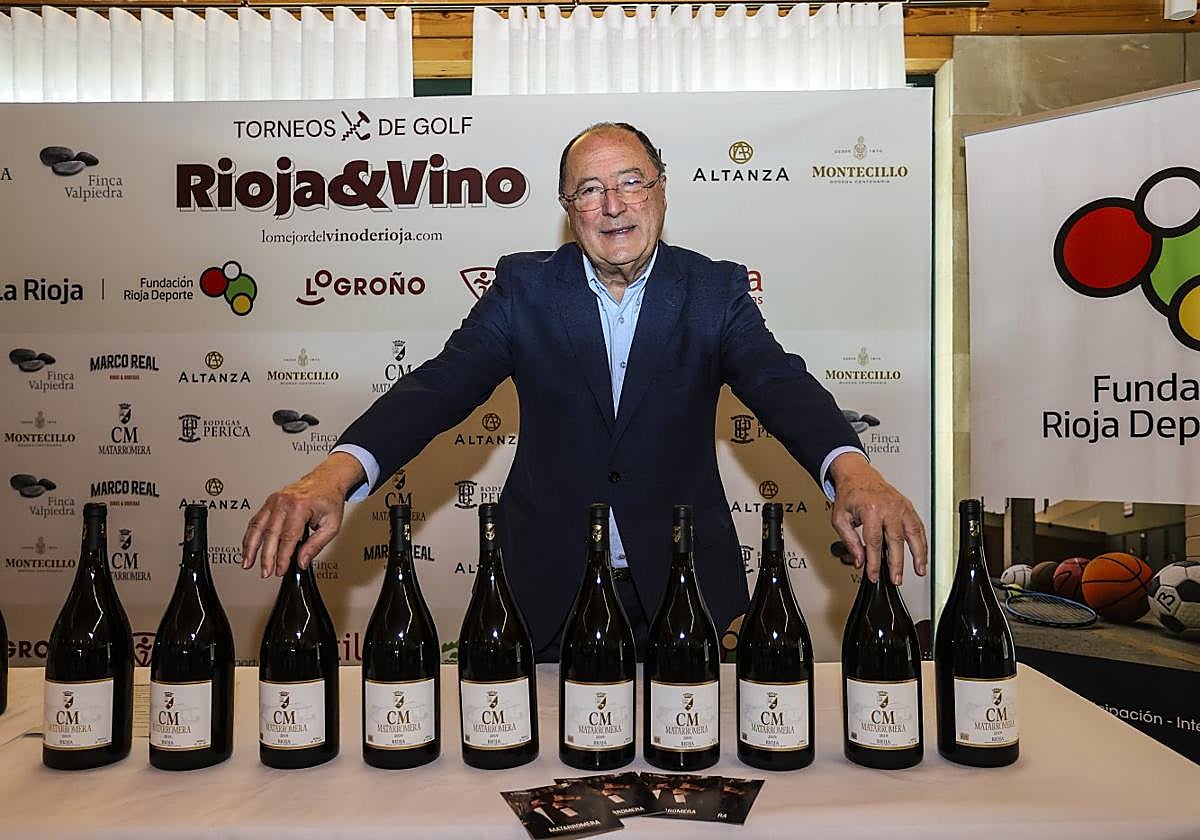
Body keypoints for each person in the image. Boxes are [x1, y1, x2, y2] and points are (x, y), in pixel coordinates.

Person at [242, 121, 927, 661]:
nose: (614, 205)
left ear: (661, 190)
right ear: (569, 210)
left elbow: (780, 383)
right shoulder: (524, 289)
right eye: (590, 191)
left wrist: (854, 471)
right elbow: (439, 386)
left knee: (696, 776)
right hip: (545, 591)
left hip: (686, 586)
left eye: (631, 182)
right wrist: (332, 477)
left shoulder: (714, 290)